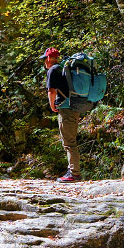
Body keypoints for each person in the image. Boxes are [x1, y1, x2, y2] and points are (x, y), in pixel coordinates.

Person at [44, 46, 96, 182]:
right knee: (70, 141)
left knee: (69, 142)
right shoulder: (62, 68)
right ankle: (72, 171)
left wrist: (52, 105)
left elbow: (51, 91)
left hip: (66, 109)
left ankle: (74, 173)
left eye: (44, 59)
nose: (44, 62)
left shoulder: (53, 70)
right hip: (73, 107)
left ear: (48, 58)